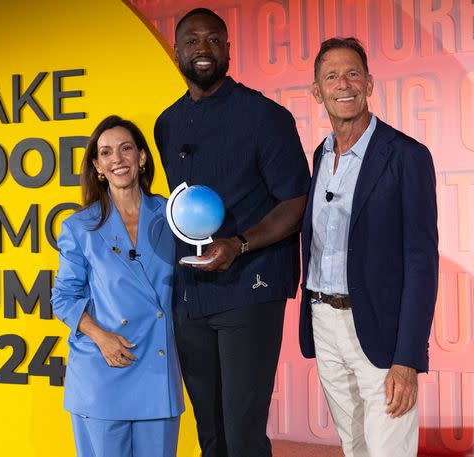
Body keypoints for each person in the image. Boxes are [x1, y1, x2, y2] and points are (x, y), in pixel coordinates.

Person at [154, 8, 311, 457]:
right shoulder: (166, 123)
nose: (202, 48)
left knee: (242, 435)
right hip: (191, 295)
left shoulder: (265, 116)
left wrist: (239, 245)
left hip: (250, 288)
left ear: (227, 49)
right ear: (177, 51)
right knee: (211, 435)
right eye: (192, 41)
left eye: (213, 40)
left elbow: (295, 202)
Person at [298, 37, 439, 456]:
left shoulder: (406, 156)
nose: (344, 84)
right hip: (324, 322)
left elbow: (421, 262)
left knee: (389, 448)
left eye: (353, 73)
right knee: (354, 444)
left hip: (380, 329)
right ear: (316, 91)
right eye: (332, 76)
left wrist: (408, 357)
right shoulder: (320, 156)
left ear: (370, 83)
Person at [51, 115, 184, 457]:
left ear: (141, 158)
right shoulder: (79, 227)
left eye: (126, 149)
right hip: (104, 367)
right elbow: (63, 297)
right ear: (97, 166)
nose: (117, 160)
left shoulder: (174, 215)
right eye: (106, 153)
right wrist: (101, 337)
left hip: (156, 369)